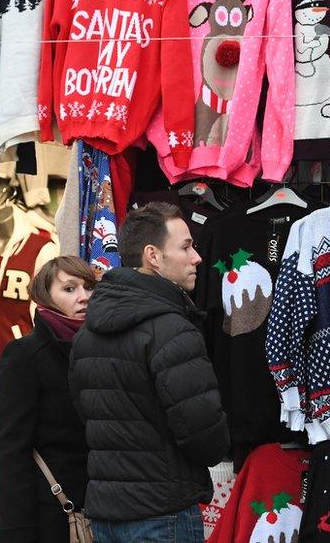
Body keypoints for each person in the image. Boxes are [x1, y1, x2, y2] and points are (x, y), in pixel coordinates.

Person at [69, 202, 230, 542]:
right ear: (153, 256)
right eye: (186, 247)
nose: (197, 257)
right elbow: (204, 434)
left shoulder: (88, 330)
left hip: (107, 515)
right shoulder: (171, 328)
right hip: (162, 514)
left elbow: (86, 415)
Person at [0, 256, 96, 542]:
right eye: (69, 289)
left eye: (89, 288)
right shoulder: (25, 355)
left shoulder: (103, 350)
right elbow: (11, 449)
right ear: (45, 297)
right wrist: (17, 531)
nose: (83, 297)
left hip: (103, 512)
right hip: (50, 515)